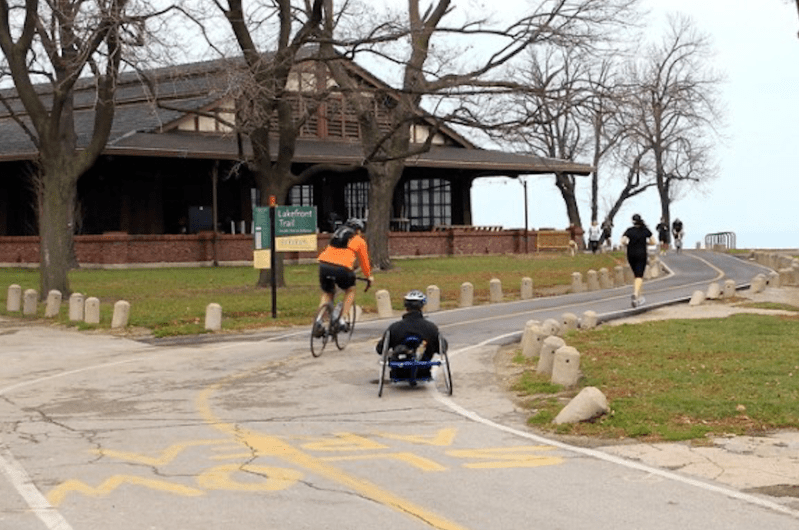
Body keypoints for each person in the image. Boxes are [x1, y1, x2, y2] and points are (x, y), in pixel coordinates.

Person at [375, 290, 447, 382]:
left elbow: (380, 349)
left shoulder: (394, 327)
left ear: (406, 307)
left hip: (399, 372)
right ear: (422, 306)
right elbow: (442, 349)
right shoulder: (431, 328)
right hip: (423, 371)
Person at [317, 218, 374, 333]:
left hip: (324, 265)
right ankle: (342, 319)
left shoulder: (336, 236)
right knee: (350, 290)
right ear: (358, 230)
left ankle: (318, 320)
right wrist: (368, 276)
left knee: (327, 293)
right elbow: (364, 262)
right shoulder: (359, 240)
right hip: (343, 268)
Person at [621, 214, 653, 307]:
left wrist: (628, 244)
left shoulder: (629, 230)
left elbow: (623, 241)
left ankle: (639, 297)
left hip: (630, 254)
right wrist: (646, 242)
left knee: (636, 275)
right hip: (641, 254)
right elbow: (653, 241)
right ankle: (635, 294)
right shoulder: (645, 230)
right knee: (639, 276)